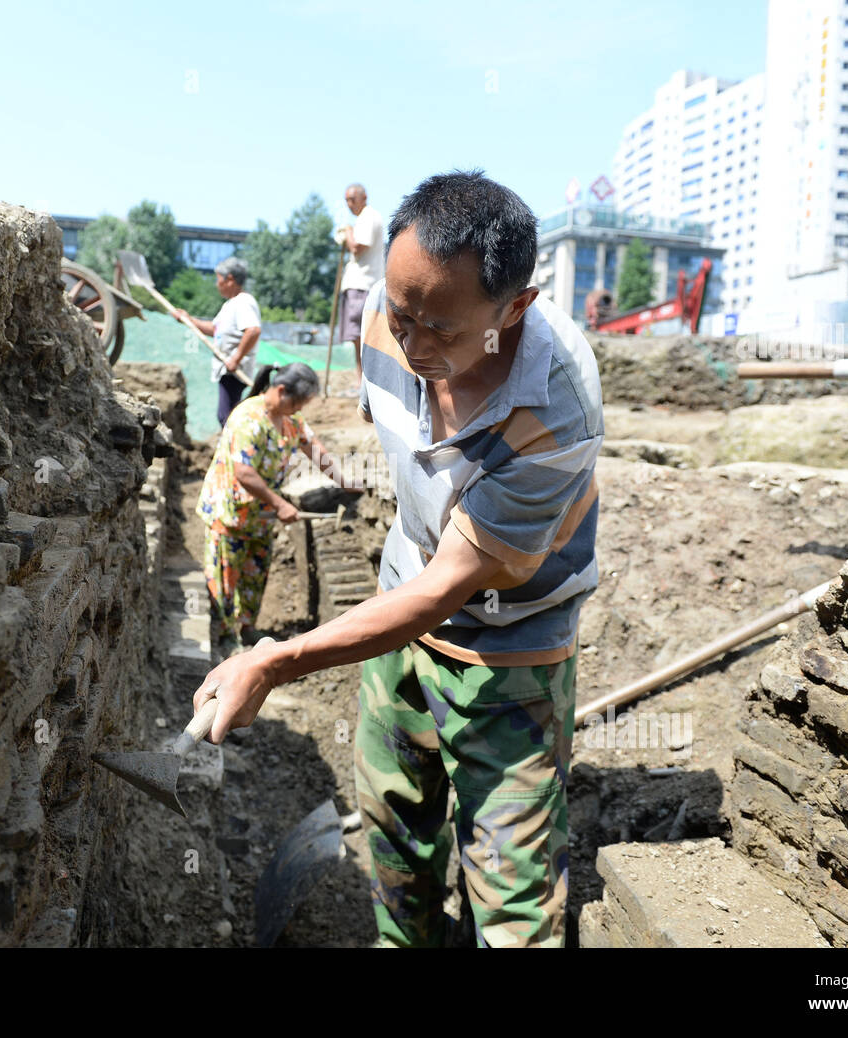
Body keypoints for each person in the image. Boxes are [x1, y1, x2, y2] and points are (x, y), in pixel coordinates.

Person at [188, 171, 604, 948]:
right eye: (400, 312)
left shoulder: (555, 410)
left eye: (440, 329)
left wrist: (277, 661)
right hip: (400, 609)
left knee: (513, 898)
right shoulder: (386, 317)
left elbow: (453, 584)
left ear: (514, 308)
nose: (410, 345)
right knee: (393, 836)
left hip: (510, 647)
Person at [196, 362, 356, 655]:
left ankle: (246, 629)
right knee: (224, 579)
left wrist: (346, 481)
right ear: (281, 391)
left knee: (254, 574)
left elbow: (315, 448)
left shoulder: (290, 420)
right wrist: (281, 504)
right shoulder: (248, 418)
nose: (299, 410)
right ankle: (222, 639)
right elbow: (244, 473)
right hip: (229, 513)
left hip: (259, 516)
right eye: (298, 402)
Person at [171, 257, 261, 427]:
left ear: (230, 280)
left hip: (234, 370)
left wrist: (236, 359)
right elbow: (214, 329)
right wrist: (188, 319)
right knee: (227, 416)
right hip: (228, 368)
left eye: (218, 279)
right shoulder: (230, 305)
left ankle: (236, 450)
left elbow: (253, 330)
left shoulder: (244, 302)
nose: (216, 284)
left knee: (227, 417)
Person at [334, 184, 384, 388]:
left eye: (352, 199)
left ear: (364, 197)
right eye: (346, 200)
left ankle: (367, 382)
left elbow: (357, 248)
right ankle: (361, 381)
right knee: (357, 338)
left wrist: (347, 232)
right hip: (359, 284)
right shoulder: (364, 218)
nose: (349, 204)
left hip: (363, 284)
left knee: (363, 335)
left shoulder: (368, 217)